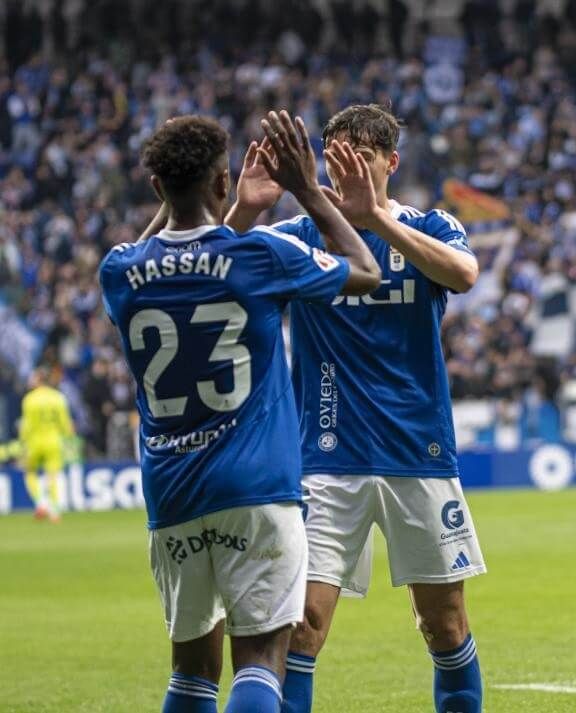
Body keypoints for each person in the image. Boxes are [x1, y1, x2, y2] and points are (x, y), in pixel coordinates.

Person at [99, 112, 381, 713]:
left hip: (172, 494)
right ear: (222, 184)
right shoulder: (258, 258)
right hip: (256, 488)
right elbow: (365, 270)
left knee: (192, 673)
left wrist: (194, 200)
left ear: (155, 188)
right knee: (259, 661)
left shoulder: (120, 272)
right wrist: (306, 188)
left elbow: (164, 252)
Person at [226, 103, 485, 713]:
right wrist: (246, 208)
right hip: (325, 456)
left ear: (390, 163)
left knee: (443, 623)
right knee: (304, 625)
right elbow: (214, 260)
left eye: (360, 159)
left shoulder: (433, 226)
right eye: (335, 158)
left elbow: (466, 274)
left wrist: (379, 222)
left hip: (417, 452)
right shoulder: (298, 236)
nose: (345, 172)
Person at [18, 367, 74, 522]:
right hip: (54, 441)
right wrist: (68, 438)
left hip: (34, 442)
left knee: (29, 472)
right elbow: (66, 425)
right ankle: (55, 511)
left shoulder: (29, 398)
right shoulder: (58, 397)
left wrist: (22, 444)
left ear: (38, 380)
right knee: (53, 475)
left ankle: (40, 503)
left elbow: (26, 426)